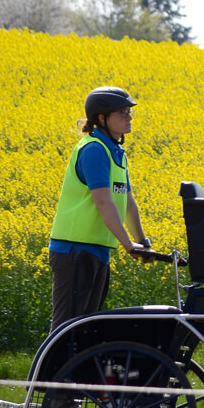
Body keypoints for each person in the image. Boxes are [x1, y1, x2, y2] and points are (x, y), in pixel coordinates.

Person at [48, 86, 152, 331]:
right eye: (122, 112)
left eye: (130, 112)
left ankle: (75, 370)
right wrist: (128, 244)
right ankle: (49, 371)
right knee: (66, 327)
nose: (129, 117)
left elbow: (128, 203)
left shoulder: (117, 152)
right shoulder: (94, 149)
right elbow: (103, 202)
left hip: (95, 249)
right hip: (73, 248)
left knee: (84, 326)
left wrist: (142, 241)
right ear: (102, 118)